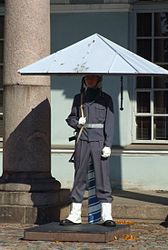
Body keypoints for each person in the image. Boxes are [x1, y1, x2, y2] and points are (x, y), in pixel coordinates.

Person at [60, 74, 115, 227]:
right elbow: (70, 118)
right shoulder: (79, 98)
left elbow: (110, 123)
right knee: (79, 177)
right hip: (82, 140)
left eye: (93, 78)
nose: (90, 81)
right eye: (87, 79)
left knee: (102, 177)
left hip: (99, 142)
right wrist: (78, 122)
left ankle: (106, 215)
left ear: (99, 81)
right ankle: (75, 215)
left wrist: (108, 144)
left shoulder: (106, 99)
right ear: (84, 81)